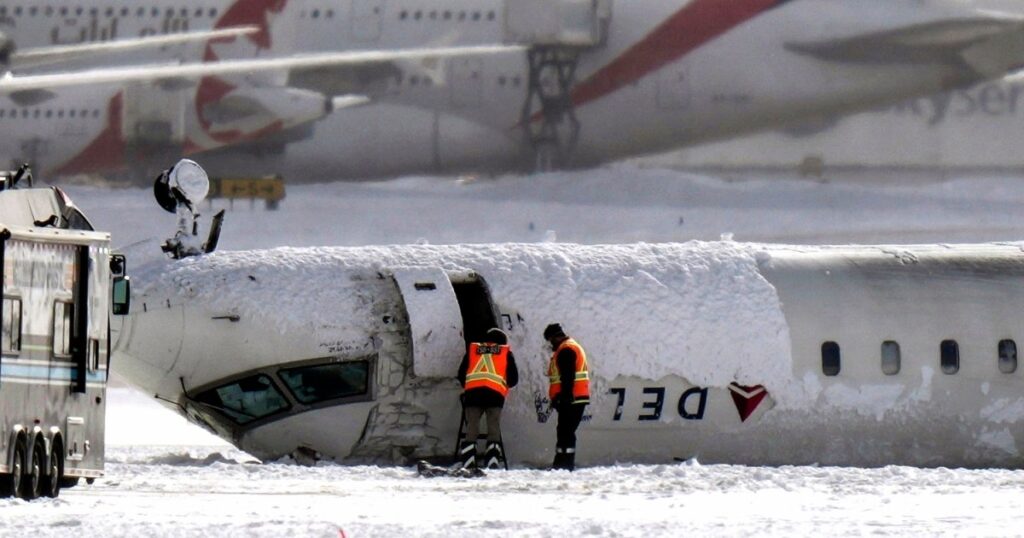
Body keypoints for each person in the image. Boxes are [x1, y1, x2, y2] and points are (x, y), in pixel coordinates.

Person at [456, 328, 518, 469]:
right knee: (493, 428)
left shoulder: (473, 351)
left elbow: (461, 373)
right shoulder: (505, 353)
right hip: (495, 395)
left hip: (473, 395)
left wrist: (469, 385)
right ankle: (492, 461)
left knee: (472, 427)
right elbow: (513, 379)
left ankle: (468, 461)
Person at [543, 323, 590, 471]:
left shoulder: (566, 350)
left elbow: (567, 376)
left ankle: (564, 465)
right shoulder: (572, 346)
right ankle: (563, 463)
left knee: (565, 432)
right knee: (565, 431)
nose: (551, 345)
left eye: (551, 341)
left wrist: (564, 396)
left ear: (556, 337)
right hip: (576, 397)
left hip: (571, 399)